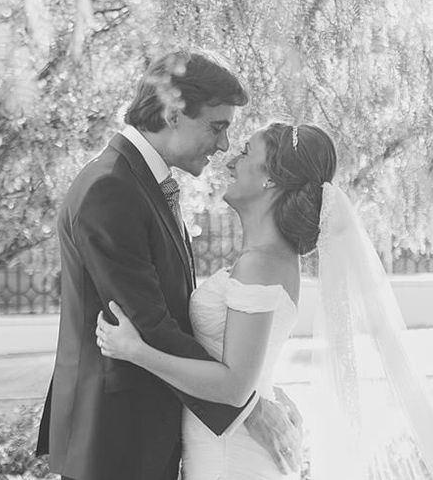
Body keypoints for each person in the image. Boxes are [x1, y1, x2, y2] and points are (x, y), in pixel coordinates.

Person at [97, 123, 433, 480]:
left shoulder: (260, 265)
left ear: (270, 179)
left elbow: (233, 387)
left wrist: (136, 351)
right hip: (226, 448)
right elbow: (247, 365)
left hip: (229, 461)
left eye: (246, 152)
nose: (231, 159)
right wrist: (270, 393)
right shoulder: (268, 260)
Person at [36, 52, 302, 480]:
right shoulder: (111, 189)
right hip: (114, 445)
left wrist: (254, 383)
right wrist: (247, 406)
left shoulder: (143, 182)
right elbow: (151, 323)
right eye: (217, 127)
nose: (223, 146)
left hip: (141, 437)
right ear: (174, 113)